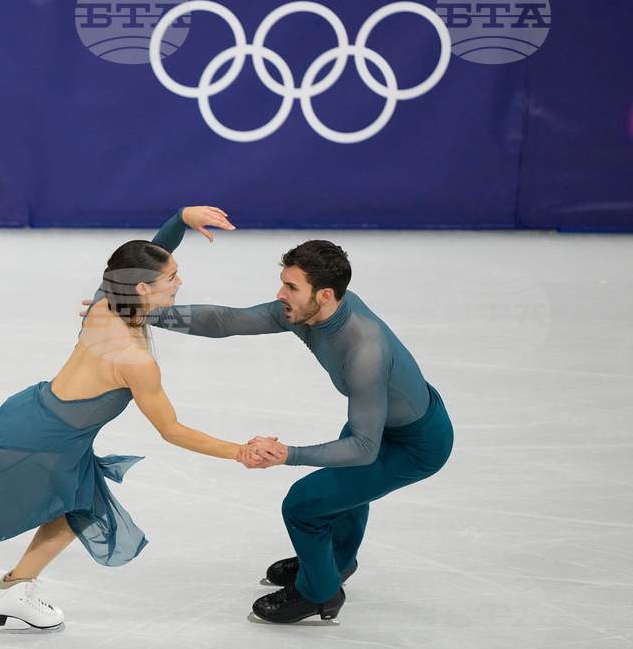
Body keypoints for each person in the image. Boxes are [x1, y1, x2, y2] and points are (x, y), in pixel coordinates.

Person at [0, 206, 265, 632]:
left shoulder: (105, 303)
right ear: (145, 289)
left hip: (45, 422)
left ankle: (15, 592)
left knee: (79, 507)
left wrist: (179, 222)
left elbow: (141, 261)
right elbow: (171, 430)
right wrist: (239, 451)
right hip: (38, 443)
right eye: (171, 278)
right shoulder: (134, 360)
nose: (179, 282)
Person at [147, 237, 455, 624]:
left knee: (303, 505)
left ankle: (320, 592)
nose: (280, 294)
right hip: (384, 418)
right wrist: (142, 313)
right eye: (283, 282)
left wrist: (288, 454)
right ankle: (330, 563)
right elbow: (226, 320)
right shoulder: (307, 312)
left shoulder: (365, 352)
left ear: (324, 294)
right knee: (341, 496)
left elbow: (362, 449)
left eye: (291, 287)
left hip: (416, 445)